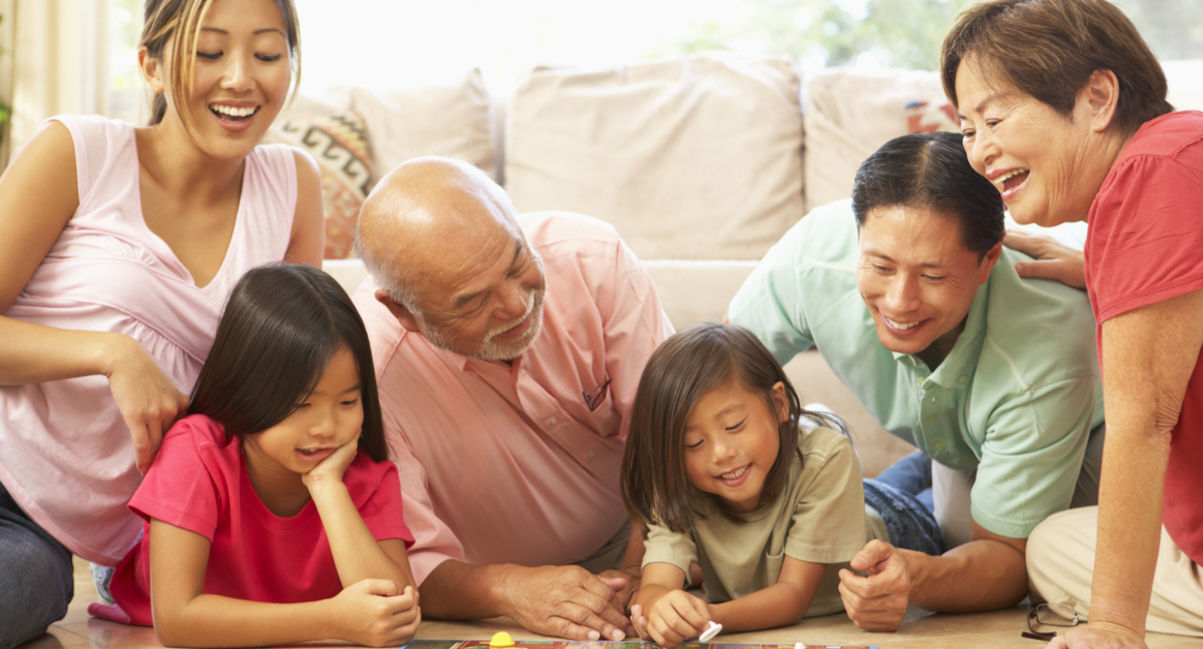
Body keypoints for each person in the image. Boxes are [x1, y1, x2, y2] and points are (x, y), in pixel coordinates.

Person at [0, 0, 322, 645]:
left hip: (50, 537)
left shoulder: (293, 186)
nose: (240, 79)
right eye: (209, 52)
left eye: (266, 54)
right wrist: (113, 354)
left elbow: (294, 390)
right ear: (150, 65)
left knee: (16, 592)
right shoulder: (80, 152)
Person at [942, 0, 1203, 645]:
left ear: (1097, 98)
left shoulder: (1146, 181)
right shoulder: (1199, 143)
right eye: (967, 130)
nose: (980, 151)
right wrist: (1107, 270)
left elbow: (1145, 421)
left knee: (1048, 549)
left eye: (994, 118)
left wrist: (1111, 626)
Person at [727, 131, 1104, 630]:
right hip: (963, 439)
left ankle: (918, 482)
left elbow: (1007, 561)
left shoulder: (1044, 357)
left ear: (989, 259)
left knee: (958, 546)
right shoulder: (814, 257)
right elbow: (708, 386)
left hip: (1082, 441)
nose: (900, 302)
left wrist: (917, 578)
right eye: (880, 266)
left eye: (931, 275)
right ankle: (920, 470)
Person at [351, 156, 675, 641]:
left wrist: (645, 570)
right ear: (404, 312)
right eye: (473, 301)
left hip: (657, 536)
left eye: (515, 263)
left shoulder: (592, 258)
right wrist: (505, 588)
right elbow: (401, 566)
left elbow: (674, 435)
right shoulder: (366, 374)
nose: (515, 305)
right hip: (494, 598)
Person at [88, 264, 417, 647]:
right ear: (247, 392)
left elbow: (391, 613)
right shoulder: (196, 451)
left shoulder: (368, 475)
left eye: (348, 401)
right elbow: (177, 622)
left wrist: (327, 486)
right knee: (133, 567)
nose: (327, 427)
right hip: (156, 592)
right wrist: (331, 619)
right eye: (300, 405)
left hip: (267, 599)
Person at [622, 323, 938, 647]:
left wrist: (704, 616)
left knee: (938, 495)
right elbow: (655, 586)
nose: (720, 454)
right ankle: (924, 461)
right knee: (892, 479)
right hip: (839, 501)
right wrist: (657, 607)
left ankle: (933, 458)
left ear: (778, 404)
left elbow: (793, 596)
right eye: (693, 443)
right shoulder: (679, 484)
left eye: (734, 425)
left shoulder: (826, 458)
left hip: (895, 523)